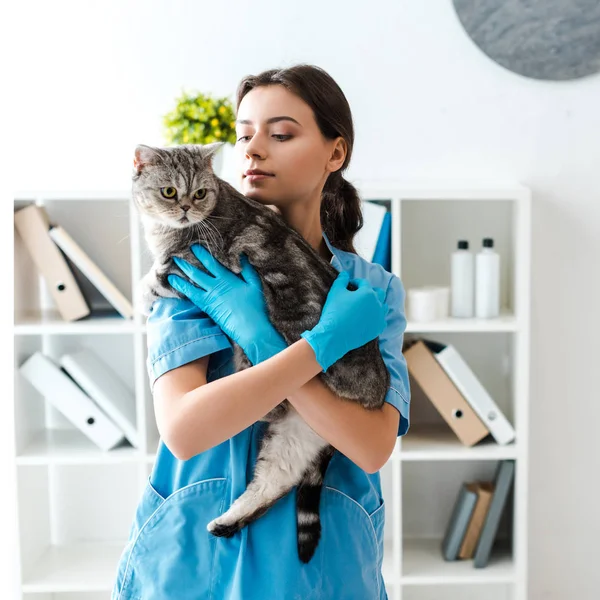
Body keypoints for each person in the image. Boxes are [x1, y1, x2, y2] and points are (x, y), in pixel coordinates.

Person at [111, 64, 410, 600]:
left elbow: (370, 446)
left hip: (326, 562)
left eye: (280, 133)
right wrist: (312, 346)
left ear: (335, 153)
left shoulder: (372, 289)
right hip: (192, 555)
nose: (251, 150)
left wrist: (267, 345)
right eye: (244, 134)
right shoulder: (199, 269)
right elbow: (183, 430)